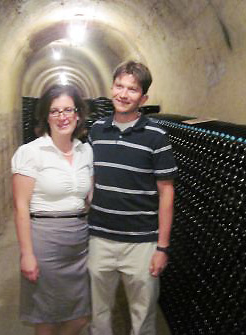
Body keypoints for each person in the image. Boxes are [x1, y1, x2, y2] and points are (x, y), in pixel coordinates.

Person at [87, 60, 178, 335]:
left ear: (144, 97)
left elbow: (166, 193)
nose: (123, 94)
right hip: (100, 238)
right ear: (111, 87)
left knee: (143, 316)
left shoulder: (156, 137)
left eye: (132, 89)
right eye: (119, 86)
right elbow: (90, 179)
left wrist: (162, 248)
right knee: (99, 313)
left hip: (141, 244)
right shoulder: (96, 131)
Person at [12, 84, 93, 335]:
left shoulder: (85, 151)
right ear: (46, 117)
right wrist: (27, 254)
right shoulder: (30, 153)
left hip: (80, 240)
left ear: (78, 114)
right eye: (55, 111)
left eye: (68, 109)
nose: (62, 116)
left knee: (81, 314)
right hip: (45, 239)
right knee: (45, 315)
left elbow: (89, 197)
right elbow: (20, 206)